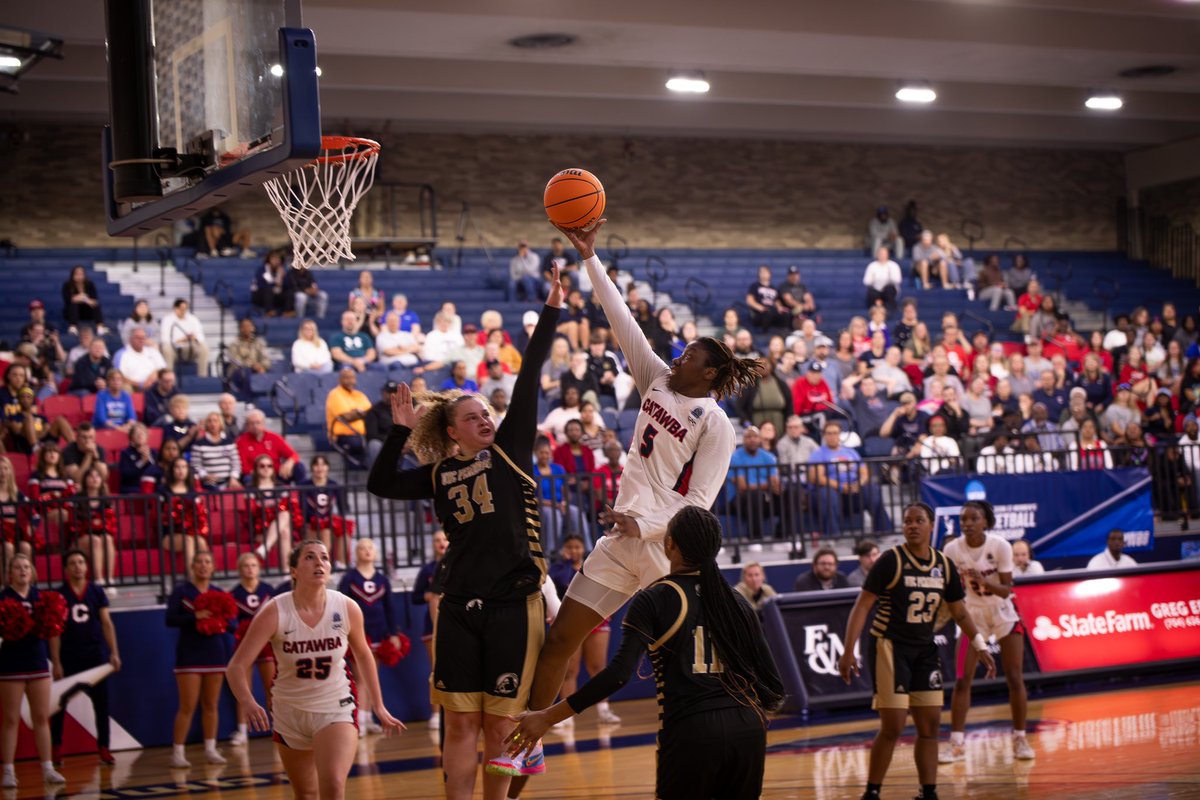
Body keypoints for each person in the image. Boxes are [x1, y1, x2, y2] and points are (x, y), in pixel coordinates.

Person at [526, 222, 766, 766]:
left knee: (676, 664)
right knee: (560, 640)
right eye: (679, 354)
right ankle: (529, 740)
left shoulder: (715, 423)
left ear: (710, 375)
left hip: (665, 552)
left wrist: (646, 524)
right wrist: (590, 258)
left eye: (689, 358)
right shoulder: (657, 379)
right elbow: (622, 321)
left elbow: (700, 504)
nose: (677, 357)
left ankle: (714, 736)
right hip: (617, 540)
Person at [366, 267, 564, 797]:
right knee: (459, 725)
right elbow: (382, 483)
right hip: (458, 605)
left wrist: (550, 311)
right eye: (473, 417)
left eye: (487, 414)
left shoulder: (512, 453)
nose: (486, 421)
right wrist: (400, 431)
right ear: (451, 431)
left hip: (513, 604)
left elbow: (527, 380)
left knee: (500, 725)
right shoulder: (438, 473)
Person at [506, 507, 785, 799]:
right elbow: (773, 687)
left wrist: (549, 716)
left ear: (669, 544)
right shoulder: (739, 602)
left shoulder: (656, 598)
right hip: (748, 730)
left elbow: (617, 674)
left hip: (691, 730)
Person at [838, 503, 995, 800]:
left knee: (930, 724)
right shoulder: (890, 560)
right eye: (907, 521)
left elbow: (960, 612)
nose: (912, 525)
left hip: (924, 648)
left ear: (931, 525)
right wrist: (849, 651)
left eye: (918, 520)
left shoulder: (944, 565)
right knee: (894, 724)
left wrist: (980, 644)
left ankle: (929, 791)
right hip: (889, 646)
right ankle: (872, 791)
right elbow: (863, 605)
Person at [228, 540, 403, 800]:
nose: (319, 562)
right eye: (310, 557)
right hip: (290, 711)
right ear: (294, 571)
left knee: (332, 785)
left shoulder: (346, 607)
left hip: (336, 706)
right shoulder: (275, 611)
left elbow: (364, 655)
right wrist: (248, 702)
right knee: (306, 794)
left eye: (324, 557)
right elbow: (236, 667)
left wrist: (378, 705)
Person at [941, 501, 1034, 763]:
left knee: (1014, 676)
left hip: (1002, 611)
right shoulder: (951, 549)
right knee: (962, 678)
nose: (967, 524)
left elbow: (1006, 590)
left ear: (985, 522)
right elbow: (948, 588)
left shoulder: (1000, 546)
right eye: (963, 520)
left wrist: (982, 580)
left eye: (973, 519)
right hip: (973, 615)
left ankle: (1020, 739)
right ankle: (957, 744)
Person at [50, 549, 121, 766]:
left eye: (81, 562)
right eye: (72, 563)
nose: (77, 566)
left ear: (87, 566)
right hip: (69, 657)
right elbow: (55, 631)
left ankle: (104, 748)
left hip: (95, 657)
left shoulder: (97, 592)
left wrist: (114, 652)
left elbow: (107, 623)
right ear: (65, 569)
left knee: (102, 705)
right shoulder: (59, 594)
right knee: (59, 706)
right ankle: (56, 750)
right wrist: (57, 661)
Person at [0, 554, 66, 787]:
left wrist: (56, 661)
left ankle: (47, 768)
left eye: (26, 567)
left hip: (38, 663)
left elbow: (54, 631)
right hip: (10, 665)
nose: (22, 571)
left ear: (32, 571)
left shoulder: (42, 597)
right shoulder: (3, 598)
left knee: (41, 718)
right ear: (10, 573)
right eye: (17, 567)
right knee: (9, 719)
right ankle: (8, 771)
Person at [165, 551, 233, 768]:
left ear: (213, 567)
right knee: (187, 705)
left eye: (207, 562)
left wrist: (221, 619)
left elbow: (231, 623)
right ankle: (177, 752)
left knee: (211, 704)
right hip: (190, 655)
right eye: (199, 562)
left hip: (215, 652)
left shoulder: (219, 592)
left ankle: (211, 749)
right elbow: (170, 619)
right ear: (192, 566)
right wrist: (195, 616)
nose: (203, 566)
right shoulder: (181, 591)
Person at [546, 534, 620, 729]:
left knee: (597, 667)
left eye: (577, 547)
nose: (574, 551)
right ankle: (564, 716)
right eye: (569, 547)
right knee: (570, 670)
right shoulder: (558, 570)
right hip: (570, 622)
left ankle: (604, 710)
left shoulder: (593, 565)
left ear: (583, 549)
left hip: (597, 620)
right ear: (563, 550)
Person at [808, 420, 891, 537]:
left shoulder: (850, 452)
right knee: (827, 493)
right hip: (832, 491)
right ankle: (832, 534)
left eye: (835, 433)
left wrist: (859, 484)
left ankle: (883, 530)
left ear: (840, 434)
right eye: (829, 433)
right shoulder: (819, 453)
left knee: (872, 489)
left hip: (853, 491)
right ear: (824, 435)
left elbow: (864, 472)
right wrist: (840, 486)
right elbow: (817, 477)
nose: (832, 436)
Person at [228, 552, 275, 748]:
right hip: (244, 645)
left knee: (272, 687)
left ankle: (278, 726)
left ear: (259, 568)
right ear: (240, 569)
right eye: (246, 565)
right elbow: (230, 622)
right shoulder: (234, 594)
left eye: (253, 565)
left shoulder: (268, 590)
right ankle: (242, 729)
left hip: (267, 645)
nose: (250, 568)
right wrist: (240, 631)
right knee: (243, 689)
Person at [412, 530, 448, 729]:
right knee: (436, 670)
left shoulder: (458, 563)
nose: (441, 543)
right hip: (432, 625)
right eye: (436, 540)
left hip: (457, 622)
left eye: (444, 539)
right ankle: (436, 713)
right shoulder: (427, 570)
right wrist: (428, 595)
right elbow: (415, 597)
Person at [299, 455, 354, 569]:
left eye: (323, 464)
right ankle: (324, 566)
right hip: (311, 523)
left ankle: (341, 565)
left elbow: (343, 508)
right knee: (326, 531)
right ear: (312, 468)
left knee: (344, 528)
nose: (320, 468)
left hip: (329, 522)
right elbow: (302, 510)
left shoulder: (333, 485)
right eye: (316, 464)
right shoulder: (304, 485)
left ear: (327, 467)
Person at [160, 457, 210, 569]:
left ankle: (206, 576)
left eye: (184, 467)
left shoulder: (192, 491)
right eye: (177, 467)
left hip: (191, 532)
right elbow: (160, 516)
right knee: (188, 540)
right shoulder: (164, 491)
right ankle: (191, 578)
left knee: (201, 541)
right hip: (169, 535)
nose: (180, 470)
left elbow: (200, 515)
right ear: (172, 470)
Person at [237, 409, 305, 484]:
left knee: (299, 467)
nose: (255, 426)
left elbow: (294, 455)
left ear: (263, 423)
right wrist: (261, 473)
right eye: (251, 423)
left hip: (276, 473)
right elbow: (243, 467)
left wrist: (289, 462)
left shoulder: (274, 438)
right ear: (247, 426)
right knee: (247, 479)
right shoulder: (241, 442)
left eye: (258, 422)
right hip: (255, 475)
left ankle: (302, 494)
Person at [191, 412, 241, 491]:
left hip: (228, 481)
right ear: (206, 424)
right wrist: (204, 476)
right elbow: (196, 465)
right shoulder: (199, 444)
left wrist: (234, 477)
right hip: (208, 483)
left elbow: (236, 463)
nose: (213, 424)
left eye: (215, 421)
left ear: (220, 423)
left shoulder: (229, 442)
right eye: (210, 421)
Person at [161, 299, 210, 374]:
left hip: (190, 348)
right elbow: (165, 339)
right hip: (175, 349)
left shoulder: (193, 319)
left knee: (204, 347)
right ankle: (169, 377)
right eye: (181, 309)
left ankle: (202, 377)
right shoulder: (167, 320)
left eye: (185, 309)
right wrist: (180, 340)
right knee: (166, 348)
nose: (183, 311)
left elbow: (200, 335)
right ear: (175, 308)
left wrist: (195, 338)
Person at [745, 265, 790, 331]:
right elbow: (749, 300)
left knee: (786, 314)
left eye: (765, 272)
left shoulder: (774, 288)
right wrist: (760, 308)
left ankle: (784, 333)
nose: (763, 274)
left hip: (771, 312)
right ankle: (764, 333)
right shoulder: (754, 286)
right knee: (767, 313)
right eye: (761, 272)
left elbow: (776, 301)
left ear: (770, 274)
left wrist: (780, 308)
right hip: (759, 313)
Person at [62, 266, 105, 333]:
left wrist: (81, 298)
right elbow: (68, 300)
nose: (79, 276)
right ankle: (73, 327)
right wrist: (85, 299)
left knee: (96, 304)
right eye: (77, 274)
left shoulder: (90, 284)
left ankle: (100, 327)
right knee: (74, 304)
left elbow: (94, 299)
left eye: (81, 274)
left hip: (87, 311)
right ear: (73, 275)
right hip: (72, 312)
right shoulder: (67, 285)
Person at [863, 246, 902, 310]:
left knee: (889, 290)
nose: (882, 256)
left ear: (887, 254)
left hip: (889, 289)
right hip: (876, 289)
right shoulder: (872, 266)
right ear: (877, 255)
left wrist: (889, 278)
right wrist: (874, 280)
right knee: (871, 292)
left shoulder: (893, 265)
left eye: (884, 254)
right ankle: (872, 311)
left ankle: (890, 309)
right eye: (881, 254)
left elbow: (898, 280)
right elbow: (866, 281)